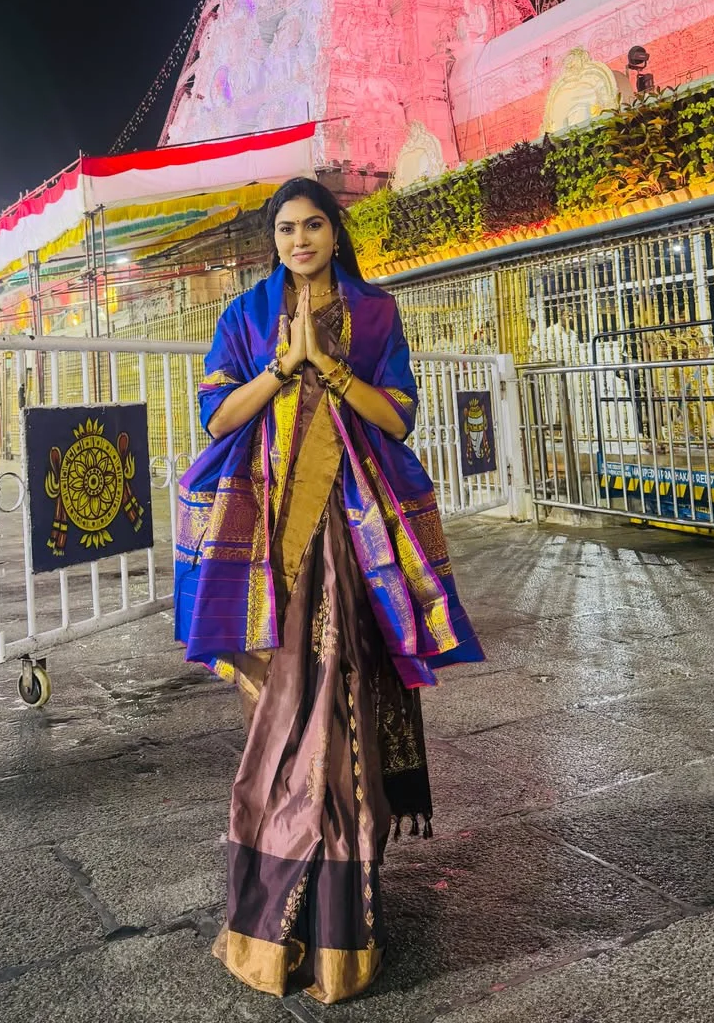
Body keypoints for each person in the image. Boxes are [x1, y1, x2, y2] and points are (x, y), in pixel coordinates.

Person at [175, 178, 483, 1006]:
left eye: (313, 225)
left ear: (335, 232)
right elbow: (216, 420)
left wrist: (333, 370)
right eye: (285, 228)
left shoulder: (376, 314)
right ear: (271, 239)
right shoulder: (243, 317)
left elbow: (398, 418)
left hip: (353, 538)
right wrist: (284, 366)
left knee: (341, 699)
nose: (299, 239)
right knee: (286, 709)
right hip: (272, 538)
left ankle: (332, 911)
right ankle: (301, 910)